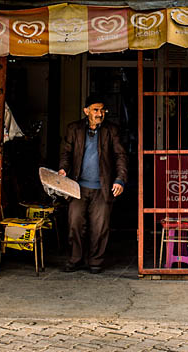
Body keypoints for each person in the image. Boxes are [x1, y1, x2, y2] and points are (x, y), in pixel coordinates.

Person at [58, 95, 127, 274]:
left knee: (100, 226)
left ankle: (95, 261)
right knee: (75, 223)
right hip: (77, 187)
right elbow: (66, 153)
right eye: (95, 110)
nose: (99, 113)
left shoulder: (111, 130)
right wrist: (63, 170)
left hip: (102, 188)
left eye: (102, 110)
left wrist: (120, 179)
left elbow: (120, 156)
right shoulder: (74, 129)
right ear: (86, 111)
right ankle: (75, 259)